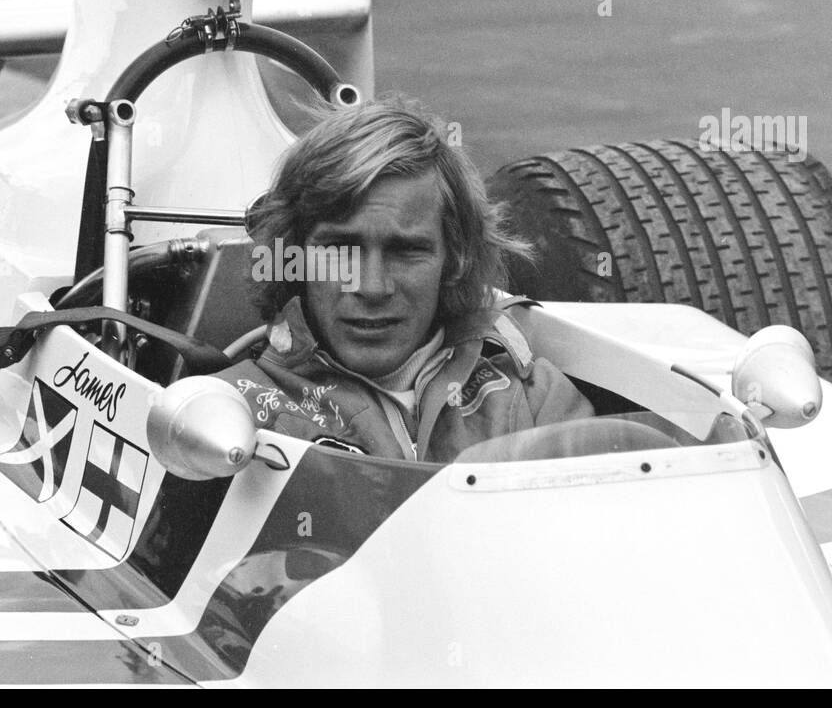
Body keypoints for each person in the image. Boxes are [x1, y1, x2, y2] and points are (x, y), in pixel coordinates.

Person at [220, 97, 594, 461]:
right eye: (340, 249)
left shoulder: (533, 401)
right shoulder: (225, 416)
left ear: (456, 259)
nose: (371, 286)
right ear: (292, 255)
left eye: (406, 251)